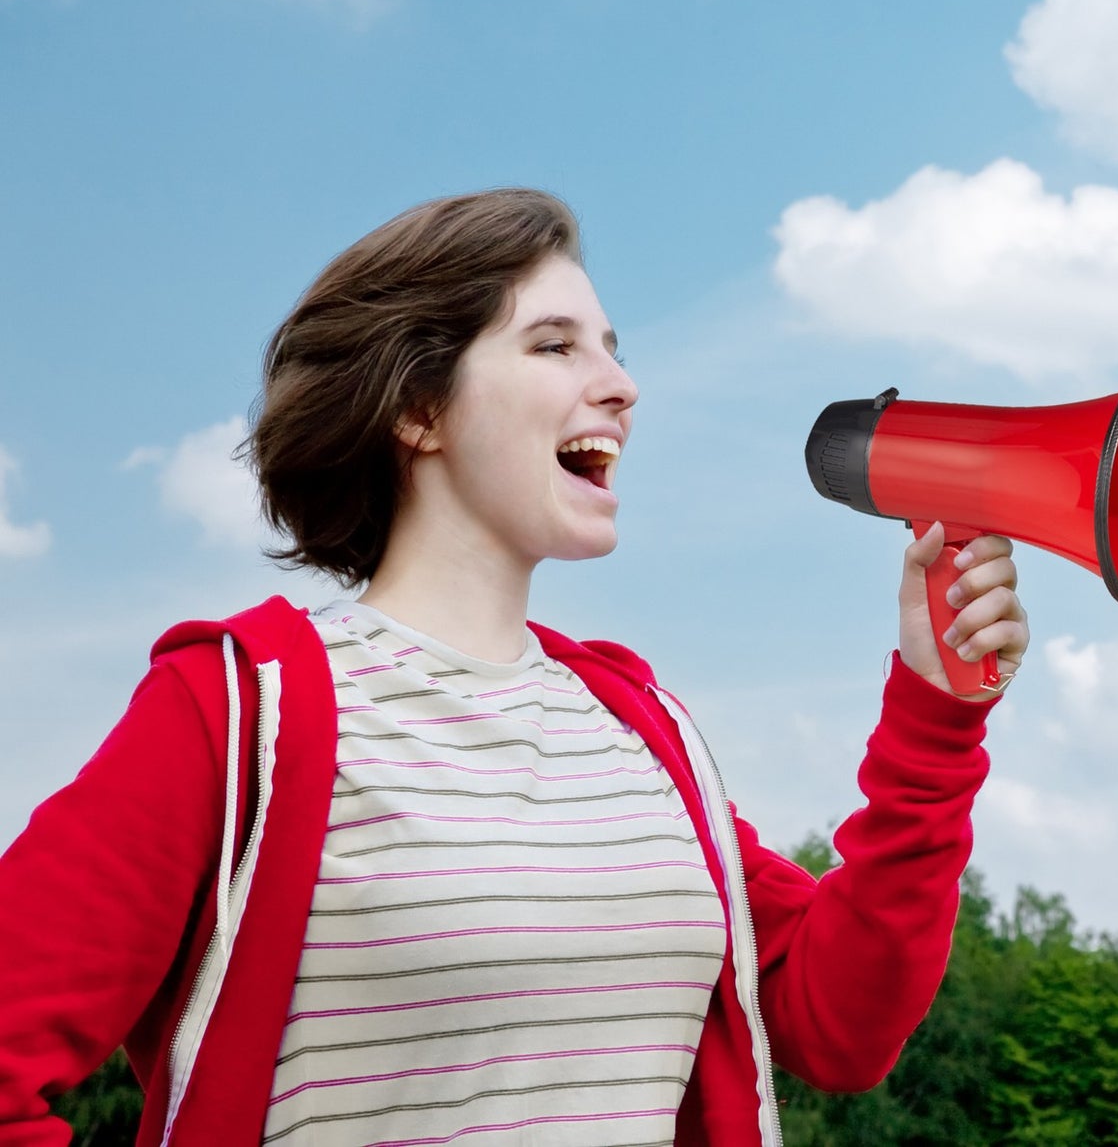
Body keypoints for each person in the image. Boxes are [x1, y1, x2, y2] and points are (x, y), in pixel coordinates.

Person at [0, 189, 1029, 1147]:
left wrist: (936, 714)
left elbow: (834, 1022)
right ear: (420, 409)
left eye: (613, 351)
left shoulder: (638, 728)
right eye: (553, 344)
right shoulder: (238, 708)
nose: (620, 386)